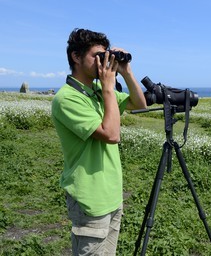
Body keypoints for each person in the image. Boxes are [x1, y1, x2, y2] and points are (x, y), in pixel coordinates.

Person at [52, 28, 147, 255]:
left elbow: (140, 103)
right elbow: (112, 135)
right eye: (97, 55)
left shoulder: (96, 90)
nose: (103, 61)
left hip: (112, 195)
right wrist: (107, 86)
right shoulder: (67, 98)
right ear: (76, 57)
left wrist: (126, 72)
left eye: (105, 55)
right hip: (90, 200)